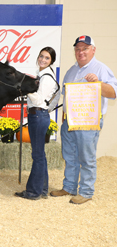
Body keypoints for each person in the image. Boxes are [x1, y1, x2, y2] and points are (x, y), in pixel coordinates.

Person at [50, 35, 117, 204]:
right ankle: (69, 187)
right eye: (78, 49)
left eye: (85, 48)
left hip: (88, 122)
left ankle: (86, 192)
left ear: (93, 50)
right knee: (70, 156)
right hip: (70, 122)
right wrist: (64, 120)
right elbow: (66, 97)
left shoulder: (100, 68)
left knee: (87, 157)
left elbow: (114, 93)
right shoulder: (71, 71)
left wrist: (99, 83)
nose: (81, 52)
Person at [15, 47, 58, 200]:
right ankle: (42, 189)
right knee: (40, 155)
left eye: (47, 58)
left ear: (51, 61)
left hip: (38, 116)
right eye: (41, 56)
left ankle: (33, 192)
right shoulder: (42, 75)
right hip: (37, 116)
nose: (43, 60)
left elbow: (39, 100)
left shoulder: (46, 77)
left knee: (38, 156)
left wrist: (27, 90)